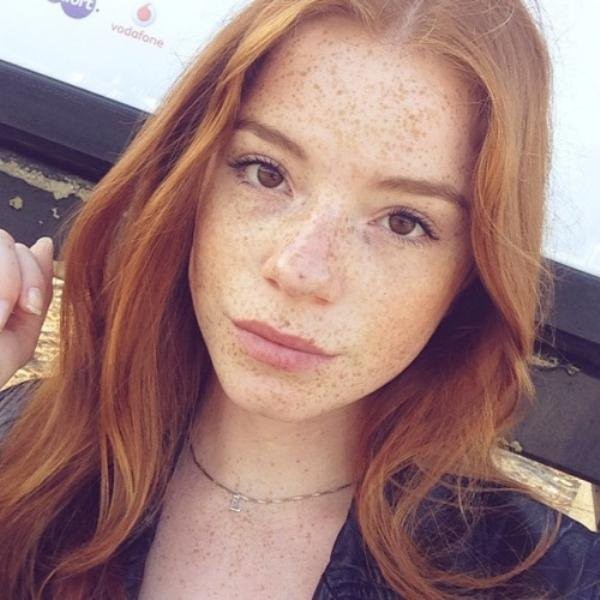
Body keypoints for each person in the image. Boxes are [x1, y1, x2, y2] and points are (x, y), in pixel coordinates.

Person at [1, 0, 599, 598]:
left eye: (403, 222)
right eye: (266, 172)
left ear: (471, 274)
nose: (300, 270)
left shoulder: (556, 583)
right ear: (190, 180)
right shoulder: (21, 458)